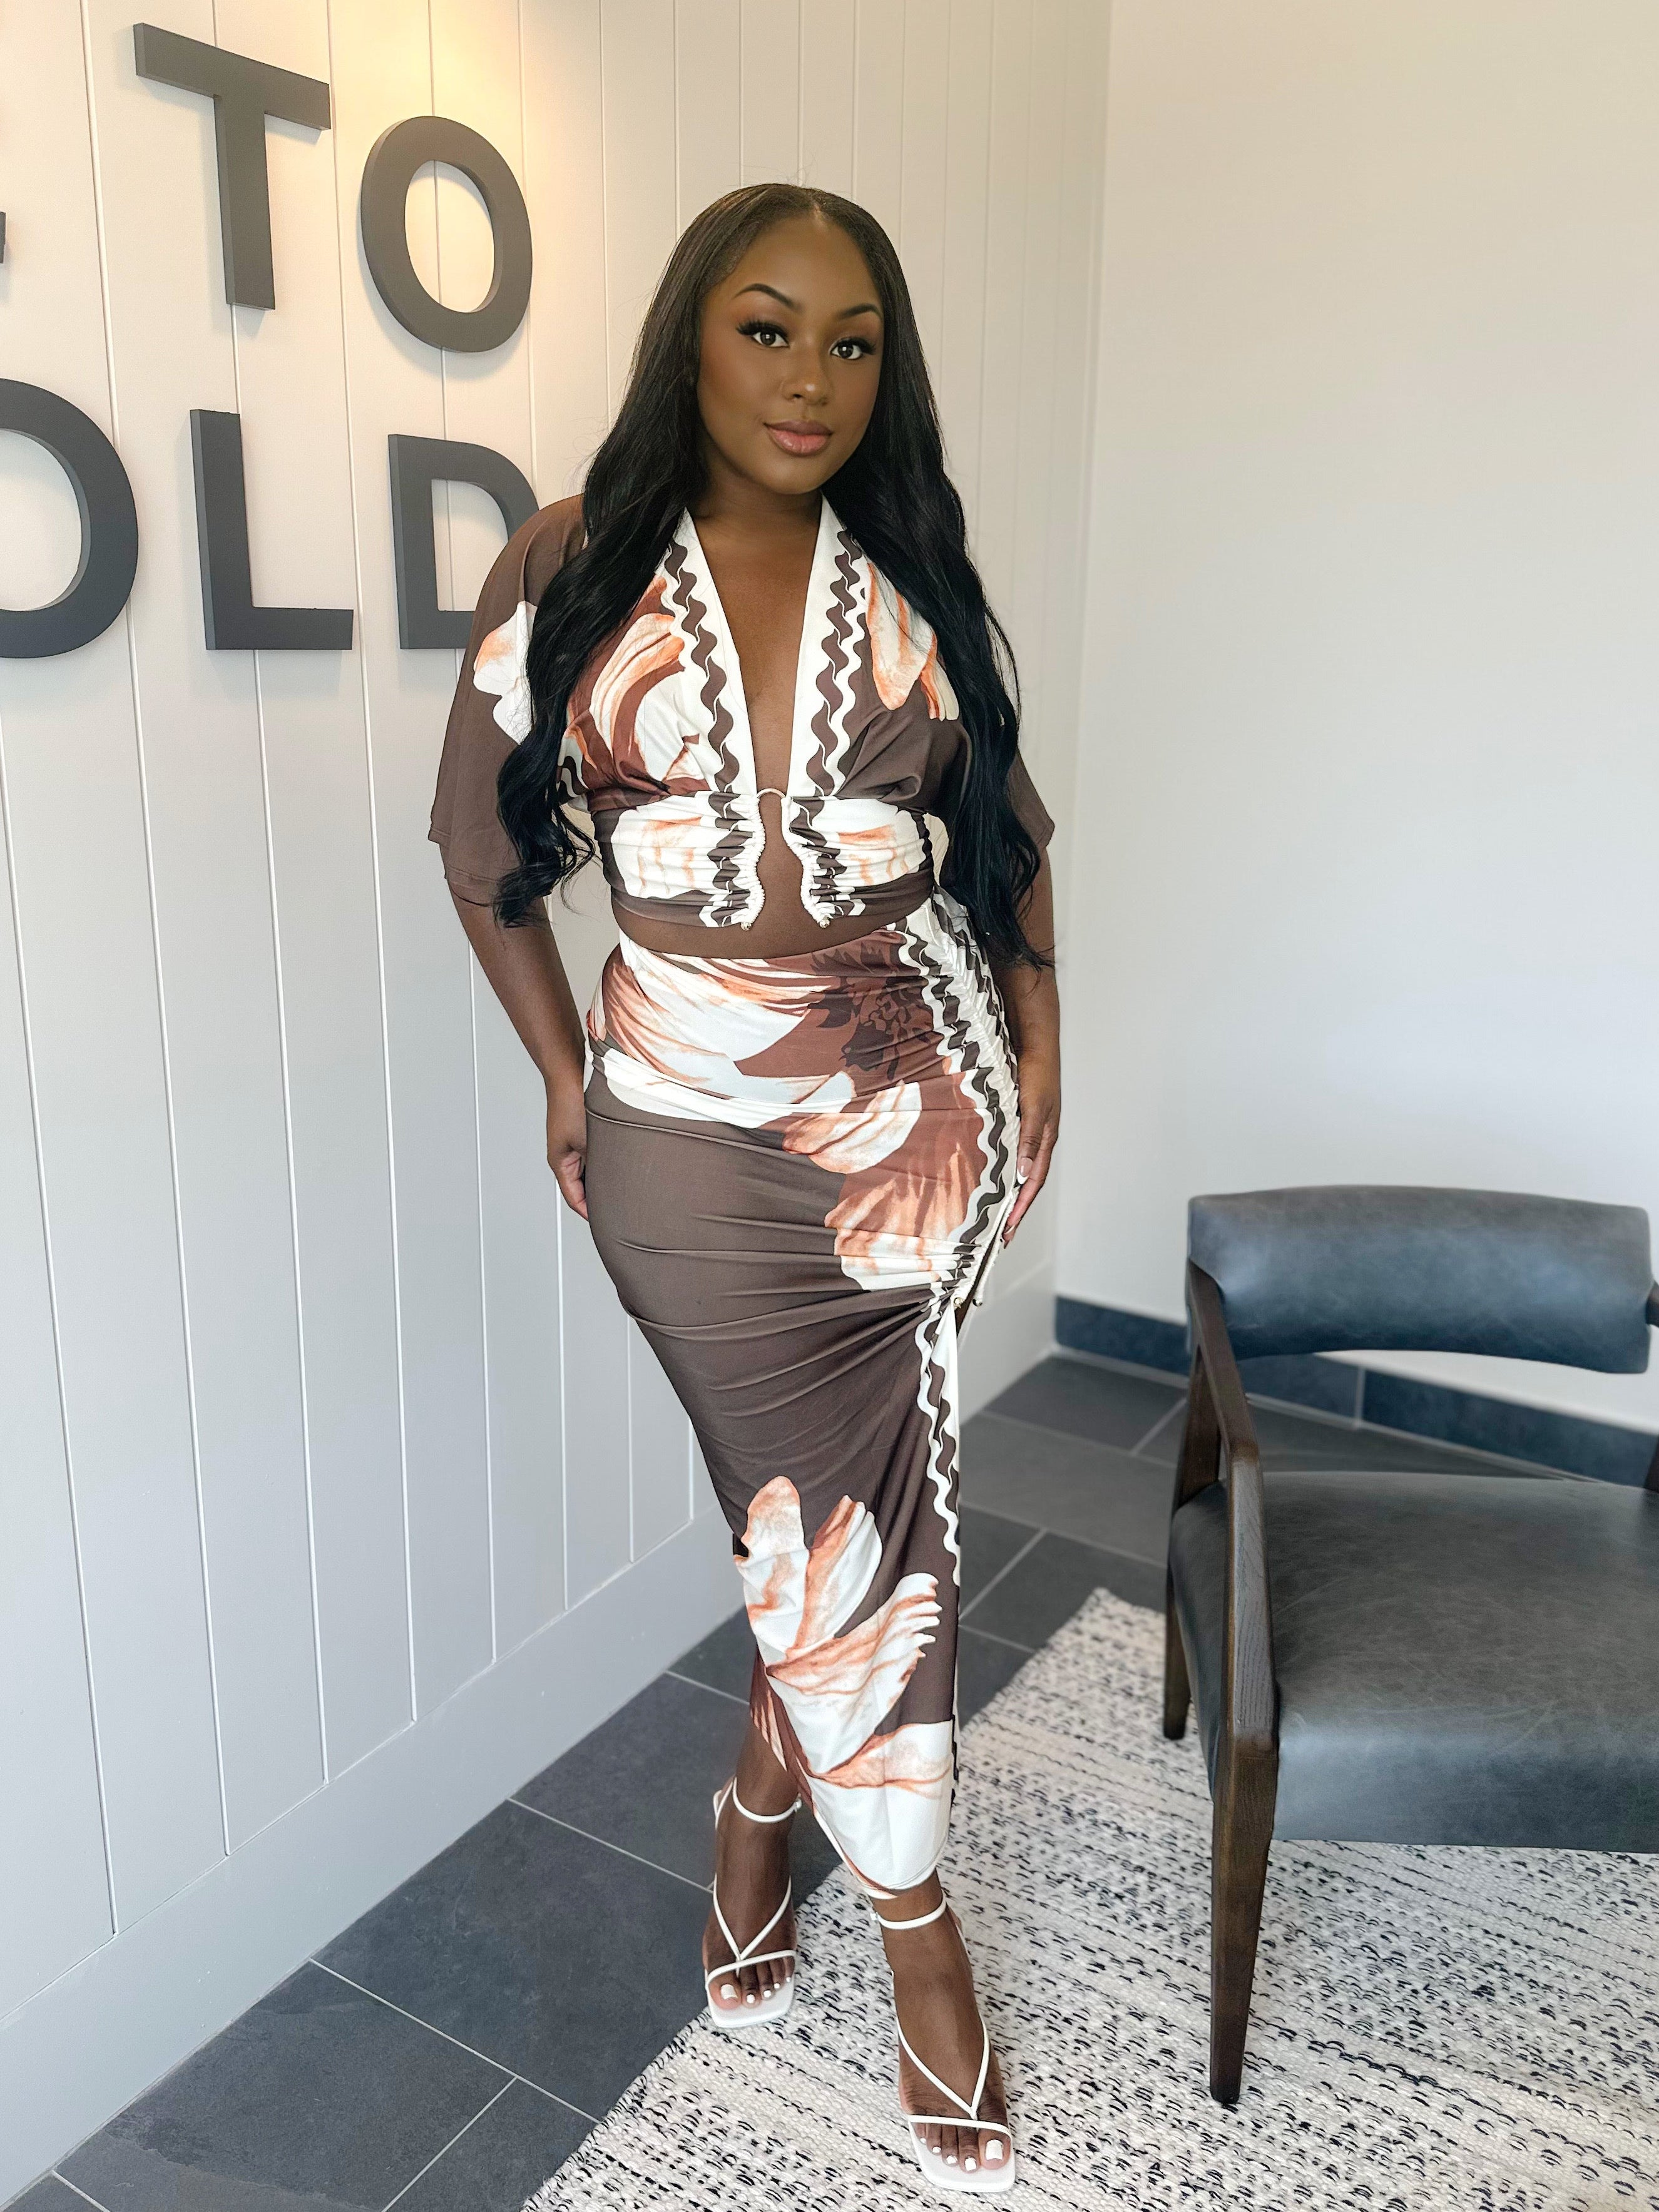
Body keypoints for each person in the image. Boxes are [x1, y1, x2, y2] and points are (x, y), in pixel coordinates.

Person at [430, 182, 1060, 2196]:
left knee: (850, 1518)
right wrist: (561, 1070)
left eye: (851, 338)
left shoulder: (913, 566)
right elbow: (477, 845)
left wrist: (1045, 1056)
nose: (810, 377)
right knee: (804, 1505)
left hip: (915, 1111)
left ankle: (757, 1814)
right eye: (767, 327)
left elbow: (1008, 843)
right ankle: (913, 1922)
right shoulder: (572, 562)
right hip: (683, 1126)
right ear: (689, 338)